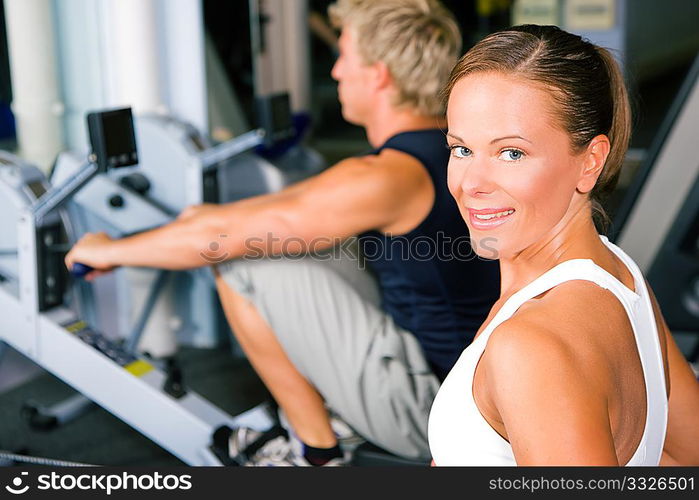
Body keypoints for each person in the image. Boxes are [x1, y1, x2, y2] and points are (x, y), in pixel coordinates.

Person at [66, 0, 501, 466]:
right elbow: (278, 213)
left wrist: (111, 249)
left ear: (378, 75)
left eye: (344, 57)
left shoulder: (391, 176)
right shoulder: (445, 150)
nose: (334, 71)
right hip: (457, 383)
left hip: (434, 414)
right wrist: (206, 219)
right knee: (286, 239)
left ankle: (316, 451)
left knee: (236, 255)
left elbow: (224, 237)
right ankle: (333, 420)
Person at [428, 24, 699, 466]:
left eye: (511, 152)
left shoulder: (534, 346)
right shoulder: (619, 274)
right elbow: (689, 455)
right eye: (461, 149)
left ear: (590, 162)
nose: (471, 184)